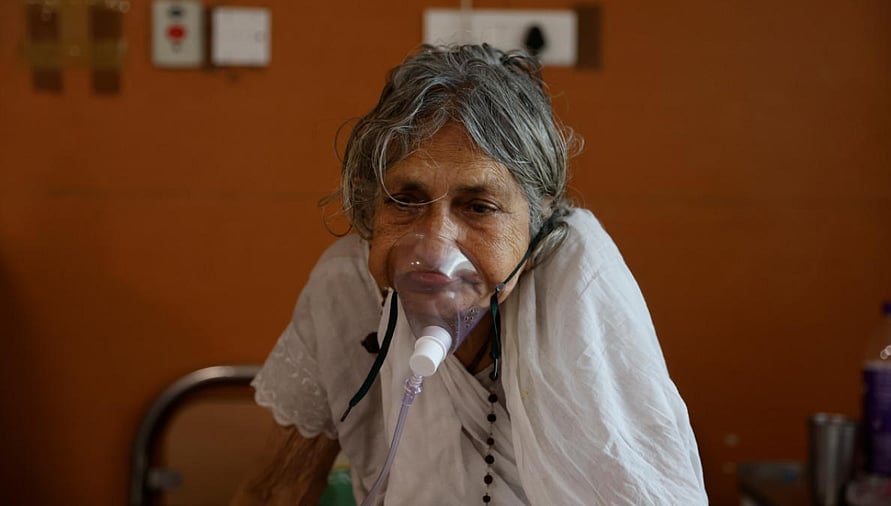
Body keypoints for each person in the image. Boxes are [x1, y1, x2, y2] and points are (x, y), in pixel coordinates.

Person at [232, 44, 708, 505]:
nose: (436, 243)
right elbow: (276, 491)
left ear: (536, 220)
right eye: (406, 200)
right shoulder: (348, 288)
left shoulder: (575, 285)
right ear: (368, 209)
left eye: (478, 207)